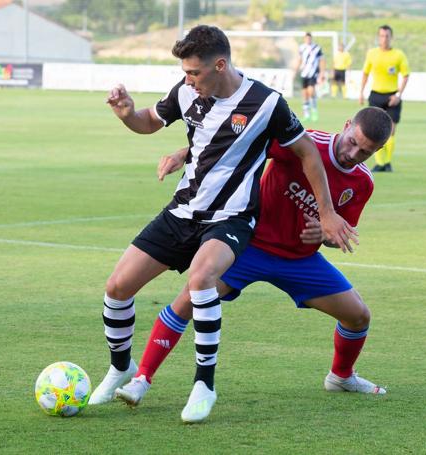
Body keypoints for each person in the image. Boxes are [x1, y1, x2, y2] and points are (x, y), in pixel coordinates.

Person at [90, 25, 357, 424]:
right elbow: (149, 121)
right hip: (182, 211)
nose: (187, 79)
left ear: (220, 65)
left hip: (231, 218)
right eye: (184, 72)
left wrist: (327, 211)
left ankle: (204, 384)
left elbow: (307, 154)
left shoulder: (267, 103)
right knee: (117, 287)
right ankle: (121, 367)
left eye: (194, 72)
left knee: (201, 280)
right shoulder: (187, 92)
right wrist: (128, 114)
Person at [114, 107, 393, 410]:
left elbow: (338, 234)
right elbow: (238, 143)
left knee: (359, 316)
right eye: (353, 141)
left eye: (365, 151)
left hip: (299, 261)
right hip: (248, 245)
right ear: (347, 124)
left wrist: (325, 237)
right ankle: (141, 378)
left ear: (379, 150)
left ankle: (341, 377)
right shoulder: (304, 142)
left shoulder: (363, 183)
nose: (353, 153)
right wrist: (184, 152)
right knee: (188, 300)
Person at [359, 25, 409, 173]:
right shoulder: (372, 54)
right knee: (375, 130)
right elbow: (365, 73)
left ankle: (387, 162)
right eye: (381, 36)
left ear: (391, 37)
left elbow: (406, 75)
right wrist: (361, 92)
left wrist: (398, 95)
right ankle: (380, 163)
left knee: (391, 131)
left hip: (392, 96)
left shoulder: (398, 55)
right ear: (378, 37)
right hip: (376, 95)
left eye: (387, 36)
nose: (384, 39)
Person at [295, 32, 325, 122]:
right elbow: (300, 59)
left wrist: (322, 72)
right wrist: (295, 70)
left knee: (311, 91)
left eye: (309, 38)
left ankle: (314, 110)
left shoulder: (316, 48)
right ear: (304, 39)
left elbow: (322, 60)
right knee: (305, 94)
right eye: (306, 38)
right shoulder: (301, 47)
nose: (308, 40)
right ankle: (306, 114)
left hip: (313, 73)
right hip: (304, 73)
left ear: (311, 39)